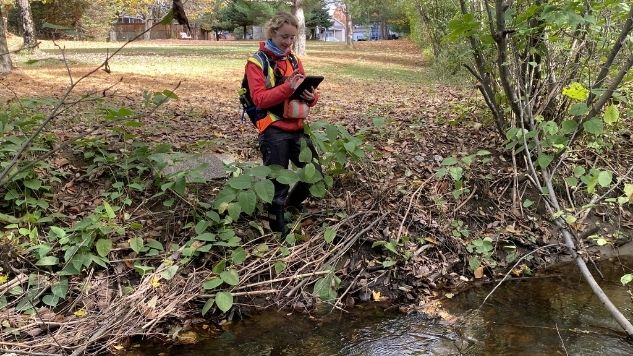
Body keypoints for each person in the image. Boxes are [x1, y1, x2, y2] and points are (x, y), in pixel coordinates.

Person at [244, 12, 321, 236]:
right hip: (272, 129)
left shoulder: (294, 60)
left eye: (292, 38)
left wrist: (311, 97)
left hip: (297, 126)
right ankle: (278, 229)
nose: (288, 43)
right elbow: (259, 98)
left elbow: (310, 95)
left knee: (314, 173)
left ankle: (292, 207)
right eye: (283, 37)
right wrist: (287, 87)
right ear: (272, 32)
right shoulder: (256, 61)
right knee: (278, 181)